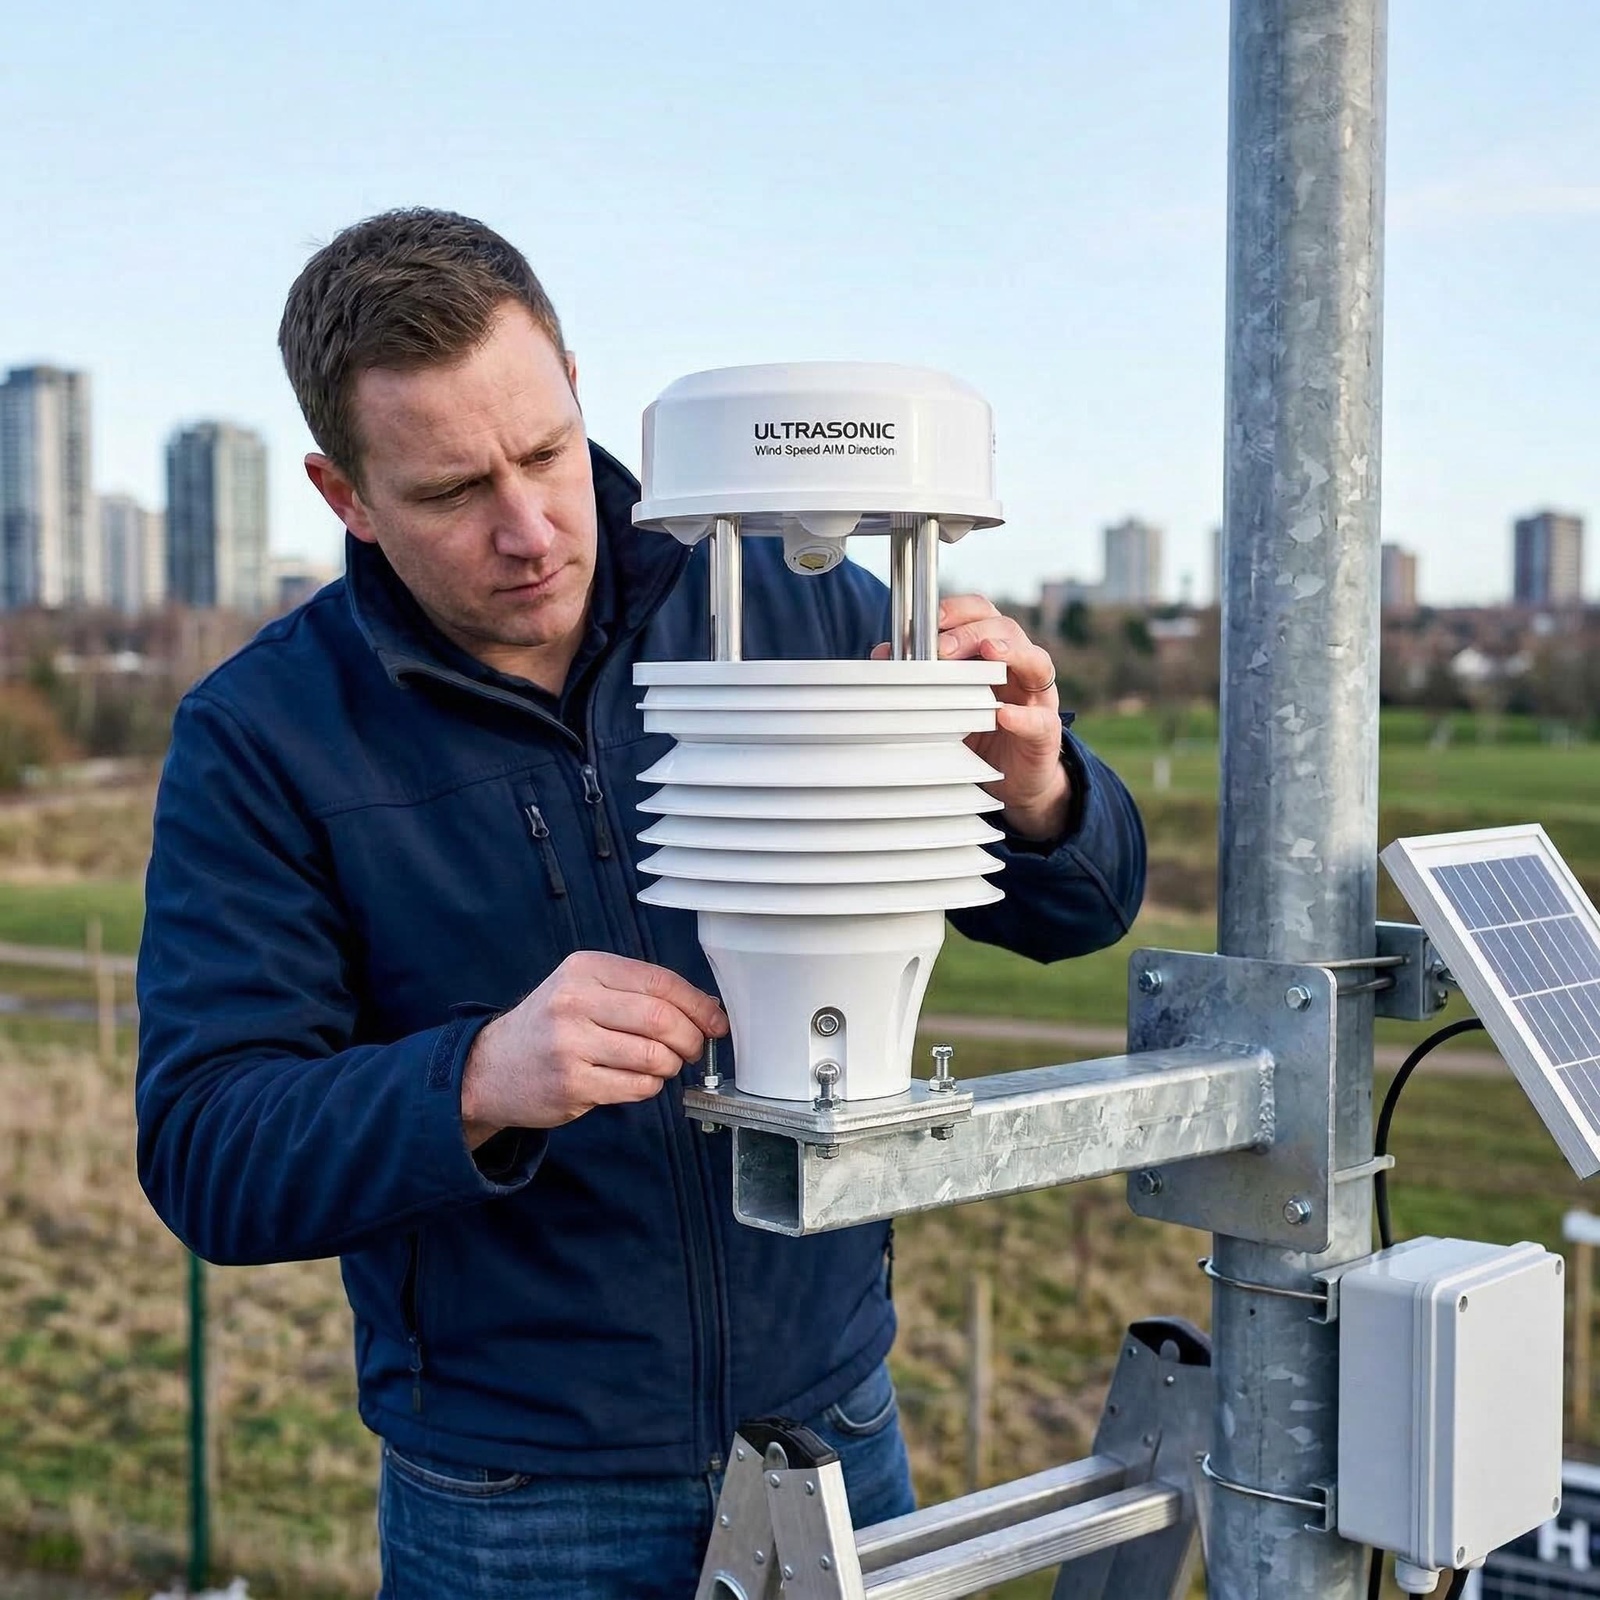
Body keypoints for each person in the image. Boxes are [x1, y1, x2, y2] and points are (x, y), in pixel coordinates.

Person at [135, 208, 1146, 1600]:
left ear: (576, 393)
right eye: (448, 491)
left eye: (547, 452)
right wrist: (477, 1078)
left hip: (834, 1430)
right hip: (516, 1498)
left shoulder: (786, 605)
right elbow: (207, 1149)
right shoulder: (265, 736)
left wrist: (1039, 793)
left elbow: (1080, 912)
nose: (532, 527)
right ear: (344, 494)